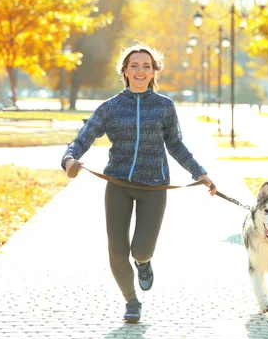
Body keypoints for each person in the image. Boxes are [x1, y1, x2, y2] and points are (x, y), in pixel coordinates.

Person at [60, 43, 216, 323]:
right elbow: (84, 136)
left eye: (147, 66)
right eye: (135, 65)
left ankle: (143, 263)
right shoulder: (110, 107)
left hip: (154, 187)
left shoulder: (164, 107)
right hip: (117, 183)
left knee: (140, 249)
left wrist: (199, 172)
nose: (140, 70)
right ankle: (131, 301)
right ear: (125, 71)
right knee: (117, 250)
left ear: (154, 71)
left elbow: (176, 145)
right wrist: (70, 158)